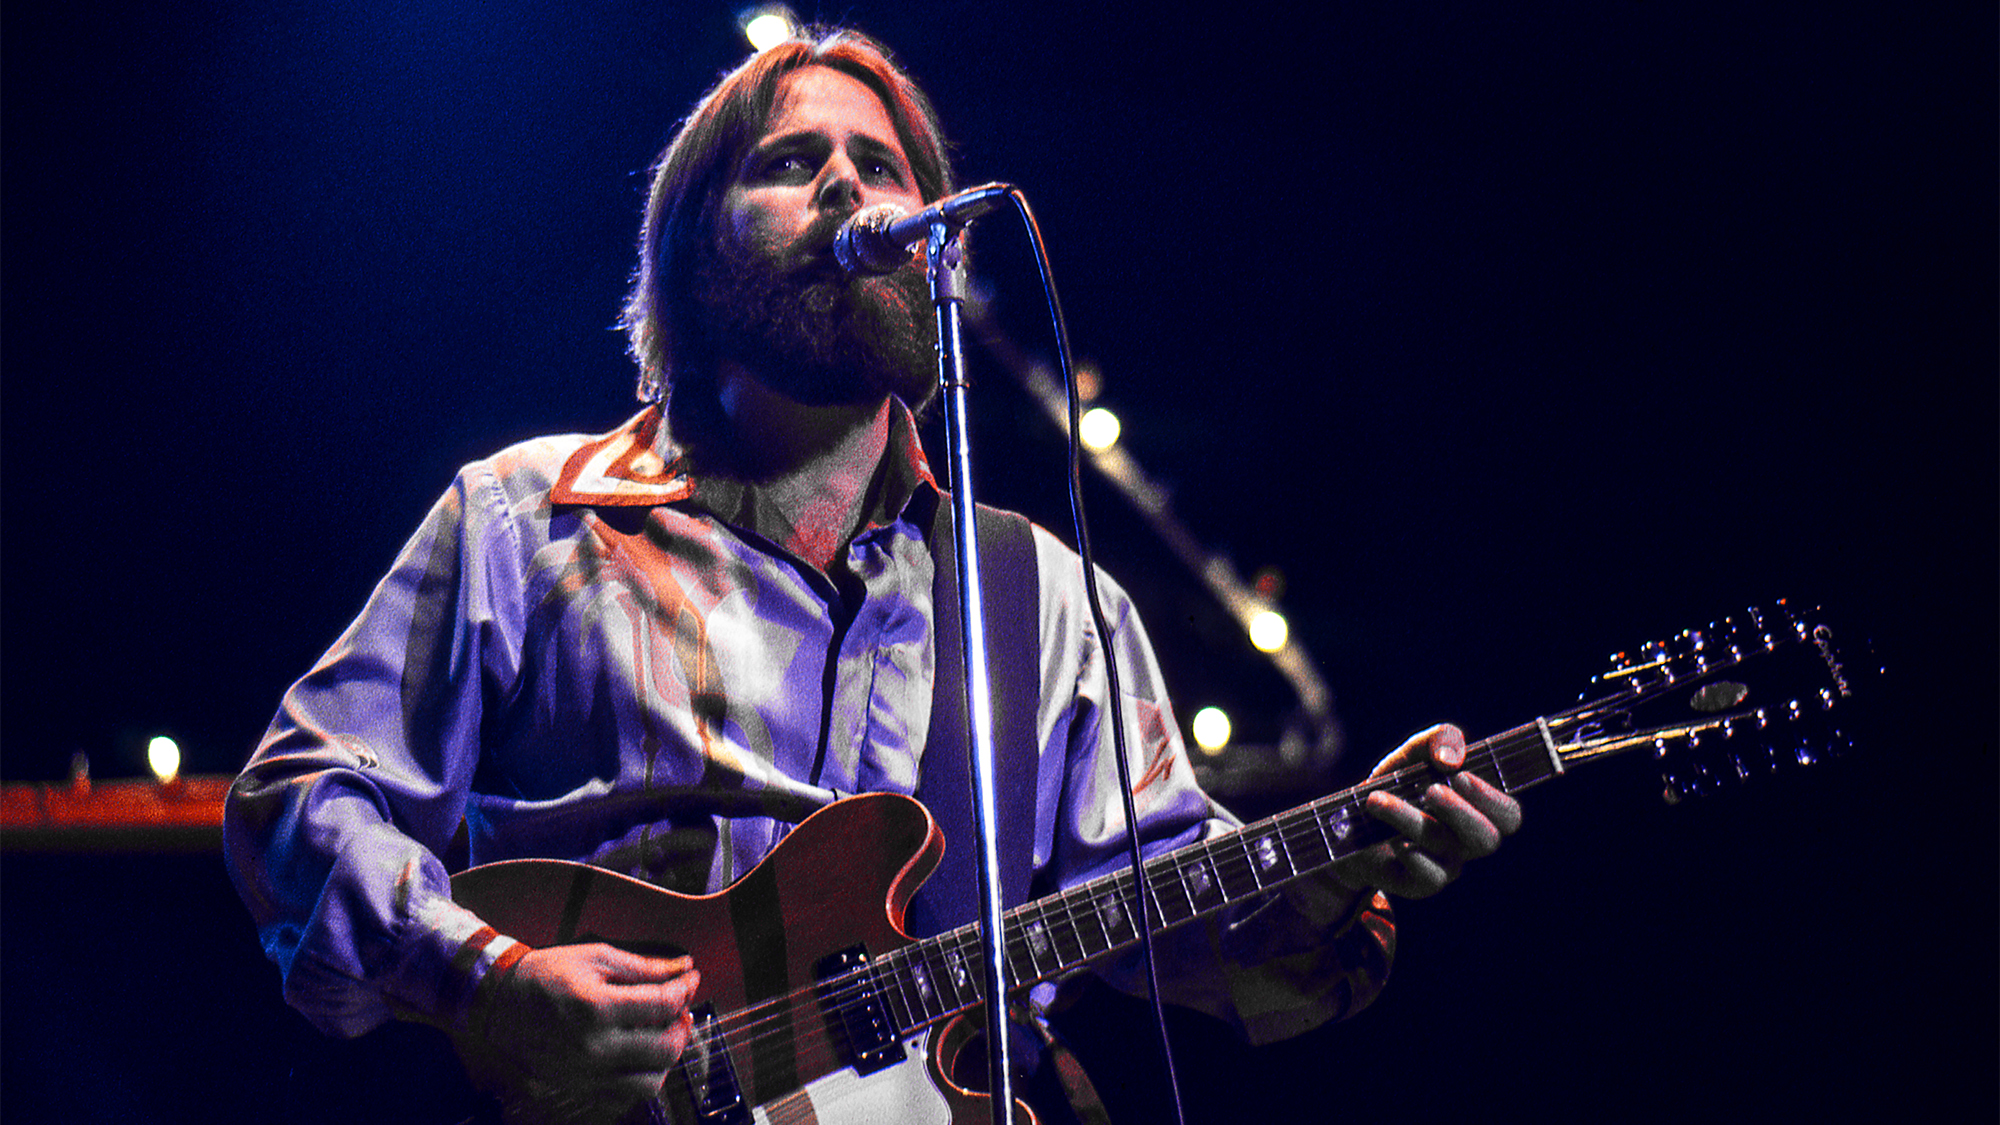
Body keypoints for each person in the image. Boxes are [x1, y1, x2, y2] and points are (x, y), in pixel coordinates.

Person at [224, 27, 1521, 1125]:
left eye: (882, 167)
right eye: (794, 164)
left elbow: (1181, 914)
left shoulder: (1045, 599)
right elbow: (300, 796)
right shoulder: (526, 520)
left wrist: (1351, 862)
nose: (851, 190)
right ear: (693, 251)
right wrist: (488, 977)